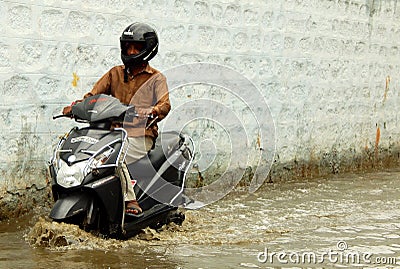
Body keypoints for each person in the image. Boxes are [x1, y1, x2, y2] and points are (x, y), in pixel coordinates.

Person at [62, 22, 171, 217]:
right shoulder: (114, 73)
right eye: (127, 46)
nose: (131, 51)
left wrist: (152, 111)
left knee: (113, 159)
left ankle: (130, 199)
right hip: (111, 134)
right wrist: (76, 107)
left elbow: (165, 105)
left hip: (140, 135)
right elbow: (92, 96)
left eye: (136, 47)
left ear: (147, 49)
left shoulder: (157, 79)